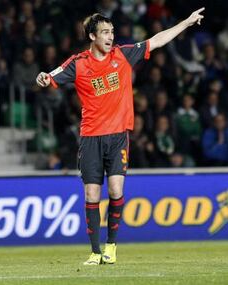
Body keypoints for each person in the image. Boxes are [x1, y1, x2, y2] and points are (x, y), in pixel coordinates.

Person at [36, 8, 205, 265]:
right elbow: (52, 75)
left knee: (116, 189)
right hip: (91, 136)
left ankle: (111, 246)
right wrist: (44, 78)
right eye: (105, 32)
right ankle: (94, 252)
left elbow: (157, 40)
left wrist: (186, 22)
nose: (110, 36)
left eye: (112, 31)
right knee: (92, 195)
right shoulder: (79, 63)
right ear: (92, 35)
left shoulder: (123, 55)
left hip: (117, 136)